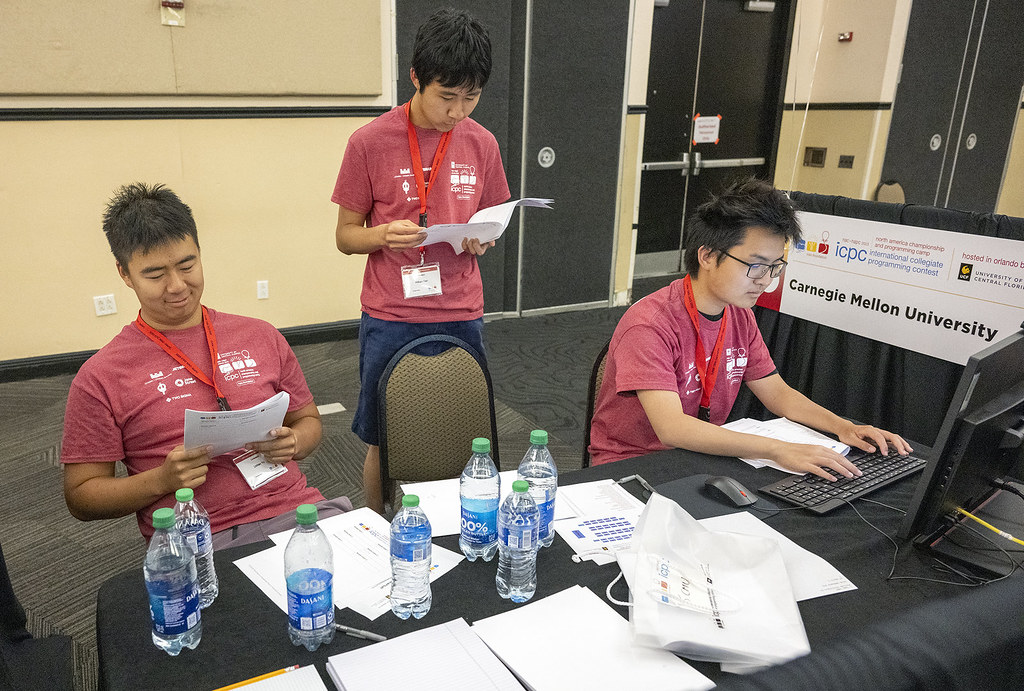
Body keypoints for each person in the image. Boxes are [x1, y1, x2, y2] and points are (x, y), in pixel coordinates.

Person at [61, 183, 351, 546]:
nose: (177, 285)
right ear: (124, 273)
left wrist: (293, 442)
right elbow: (82, 497)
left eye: (187, 265)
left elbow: (307, 421)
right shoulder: (101, 376)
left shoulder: (259, 335)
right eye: (154, 274)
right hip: (197, 533)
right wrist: (161, 480)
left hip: (297, 511)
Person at [588, 178, 912, 477]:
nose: (766, 281)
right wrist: (777, 450)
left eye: (775, 267)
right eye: (756, 265)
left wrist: (843, 428)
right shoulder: (651, 323)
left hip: (699, 456)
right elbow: (672, 428)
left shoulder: (739, 314)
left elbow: (777, 394)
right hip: (632, 466)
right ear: (708, 256)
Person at [332, 8, 510, 512]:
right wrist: (383, 235)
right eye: (446, 97)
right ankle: (374, 527)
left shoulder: (482, 143)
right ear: (415, 77)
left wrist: (481, 239)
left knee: (462, 433)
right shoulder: (368, 142)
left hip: (461, 311)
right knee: (383, 438)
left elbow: (490, 220)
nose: (458, 112)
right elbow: (346, 237)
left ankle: (461, 523)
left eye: (470, 98)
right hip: (393, 314)